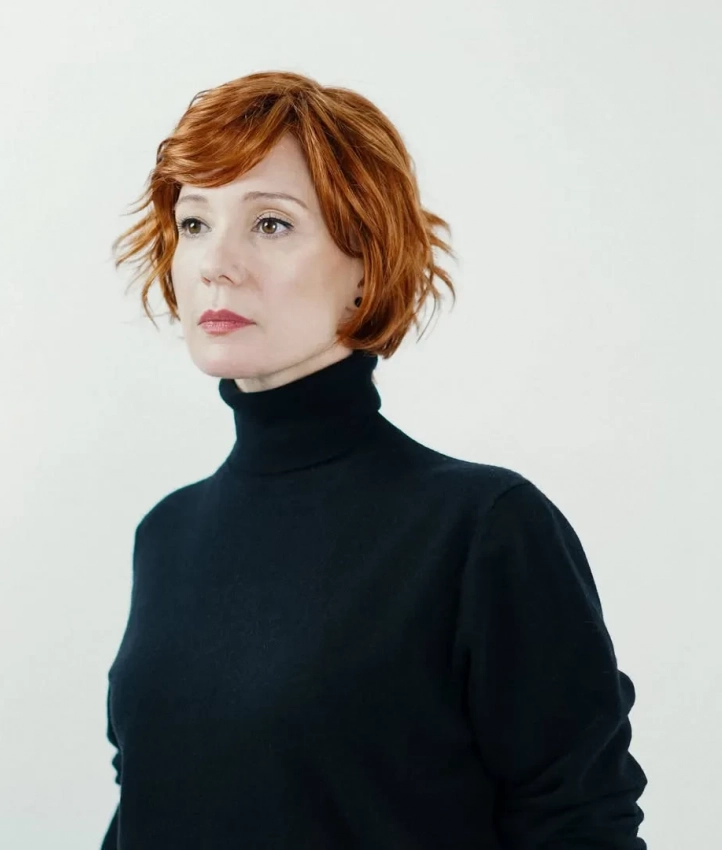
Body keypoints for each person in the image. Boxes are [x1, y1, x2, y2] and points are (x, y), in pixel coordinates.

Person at [100, 70, 648, 849]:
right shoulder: (167, 533)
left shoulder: (482, 530)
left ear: (366, 265)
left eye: (271, 224)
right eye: (194, 223)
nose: (216, 262)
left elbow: (579, 822)